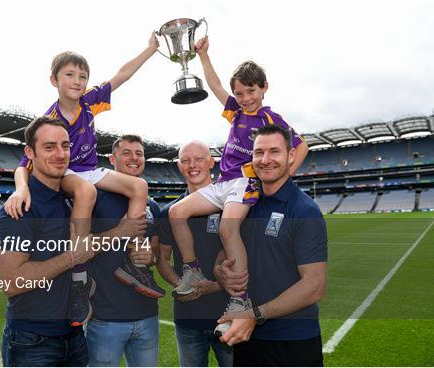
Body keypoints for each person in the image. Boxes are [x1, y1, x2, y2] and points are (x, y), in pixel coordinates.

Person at [5, 33, 161, 326]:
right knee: (86, 192)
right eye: (70, 75)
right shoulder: (49, 120)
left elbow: (122, 75)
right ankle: (79, 279)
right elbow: (23, 165)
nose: (77, 80)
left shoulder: (89, 102)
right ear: (54, 80)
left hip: (91, 167)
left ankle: (133, 259)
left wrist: (150, 49)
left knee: (139, 185)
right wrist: (20, 189)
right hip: (67, 172)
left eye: (83, 76)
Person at [168, 35, 309, 336]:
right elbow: (215, 85)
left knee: (227, 229)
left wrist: (282, 177)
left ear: (264, 88)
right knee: (177, 213)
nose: (245, 98)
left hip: (244, 183)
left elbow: (302, 147)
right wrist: (204, 56)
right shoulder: (234, 111)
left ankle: (238, 298)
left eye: (251, 91)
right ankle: (191, 270)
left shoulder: (270, 117)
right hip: (222, 182)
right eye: (240, 93)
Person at [214, 124, 328, 366]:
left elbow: (314, 286)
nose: (265, 160)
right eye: (258, 153)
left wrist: (254, 315)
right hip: (247, 337)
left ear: (291, 156)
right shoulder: (244, 204)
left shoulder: (304, 210)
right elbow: (224, 253)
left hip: (294, 341)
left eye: (274, 151)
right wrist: (220, 271)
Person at [0, 116, 96, 367]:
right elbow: (12, 282)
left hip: (73, 335)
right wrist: (73, 257)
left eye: (65, 146)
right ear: (30, 153)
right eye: (49, 147)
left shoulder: (69, 199)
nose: (60, 154)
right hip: (33, 340)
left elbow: (86, 249)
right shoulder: (21, 208)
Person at [86, 134, 164, 367]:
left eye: (139, 153)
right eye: (127, 153)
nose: (134, 158)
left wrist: (150, 257)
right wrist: (118, 232)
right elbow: (77, 247)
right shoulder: (93, 196)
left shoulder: (152, 205)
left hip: (147, 315)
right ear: (112, 159)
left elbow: (157, 253)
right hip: (106, 317)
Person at [157, 140, 233, 367]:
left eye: (199, 159)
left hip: (230, 316)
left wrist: (215, 286)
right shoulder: (167, 213)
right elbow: (162, 259)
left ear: (211, 162)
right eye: (185, 160)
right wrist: (182, 283)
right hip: (188, 319)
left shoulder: (231, 204)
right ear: (179, 166)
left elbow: (249, 258)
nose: (192, 165)